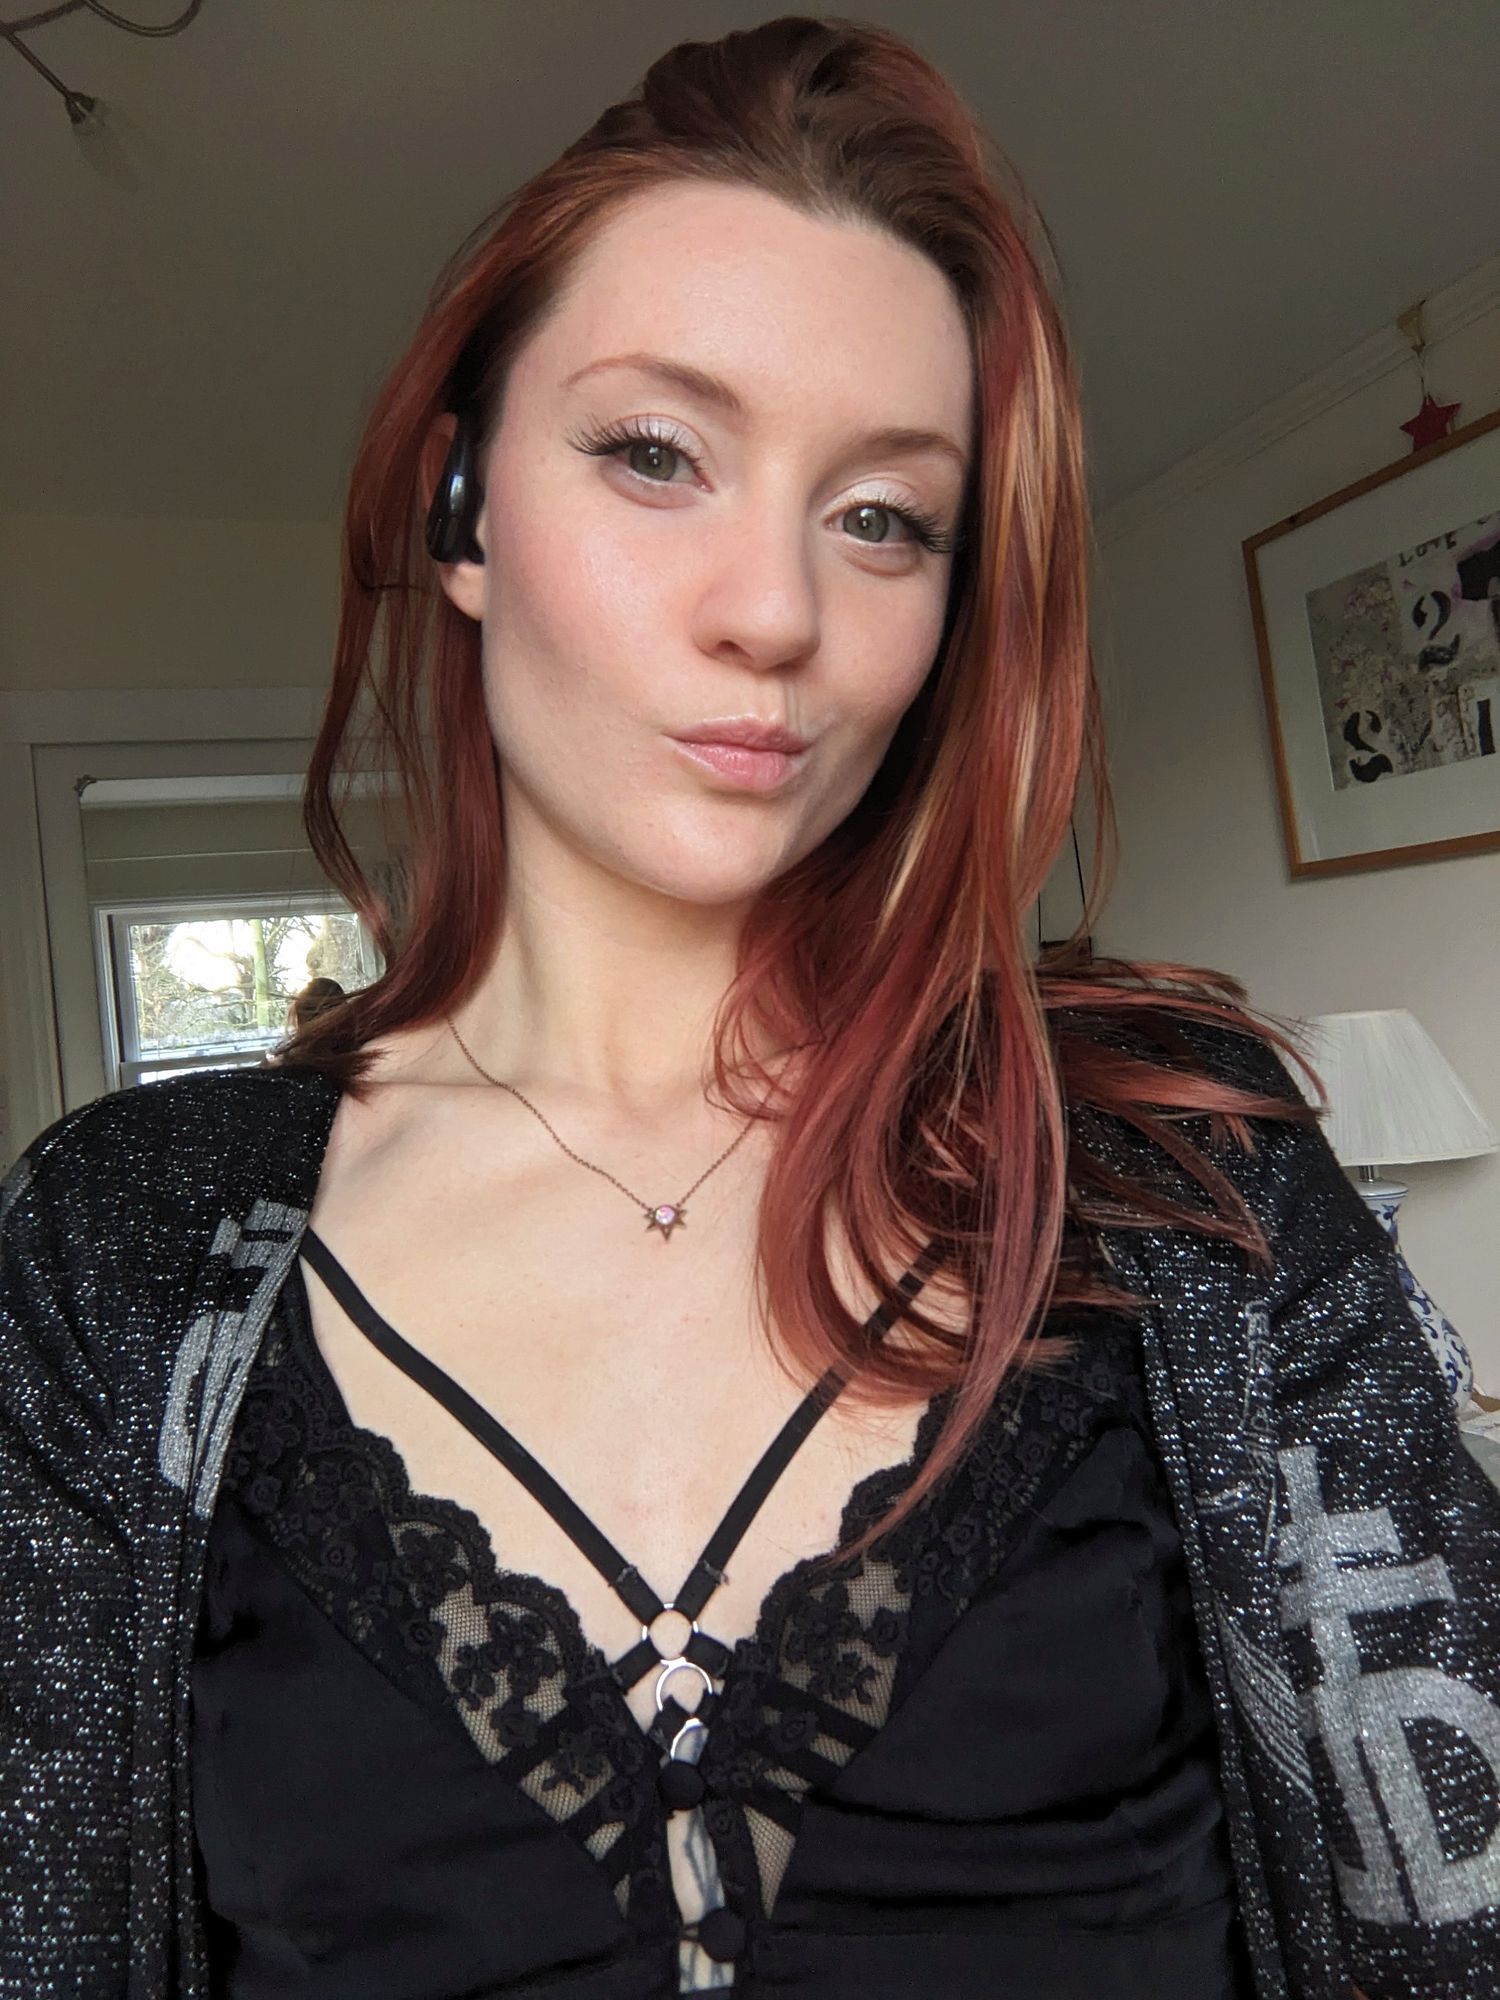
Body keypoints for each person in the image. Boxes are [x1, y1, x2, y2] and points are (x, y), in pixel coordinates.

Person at [1, 17, 1495, 1999]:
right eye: (656, 454)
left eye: (883, 516)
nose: (778, 612)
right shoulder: (113, 1249)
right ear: (461, 506)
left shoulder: (1180, 1166)